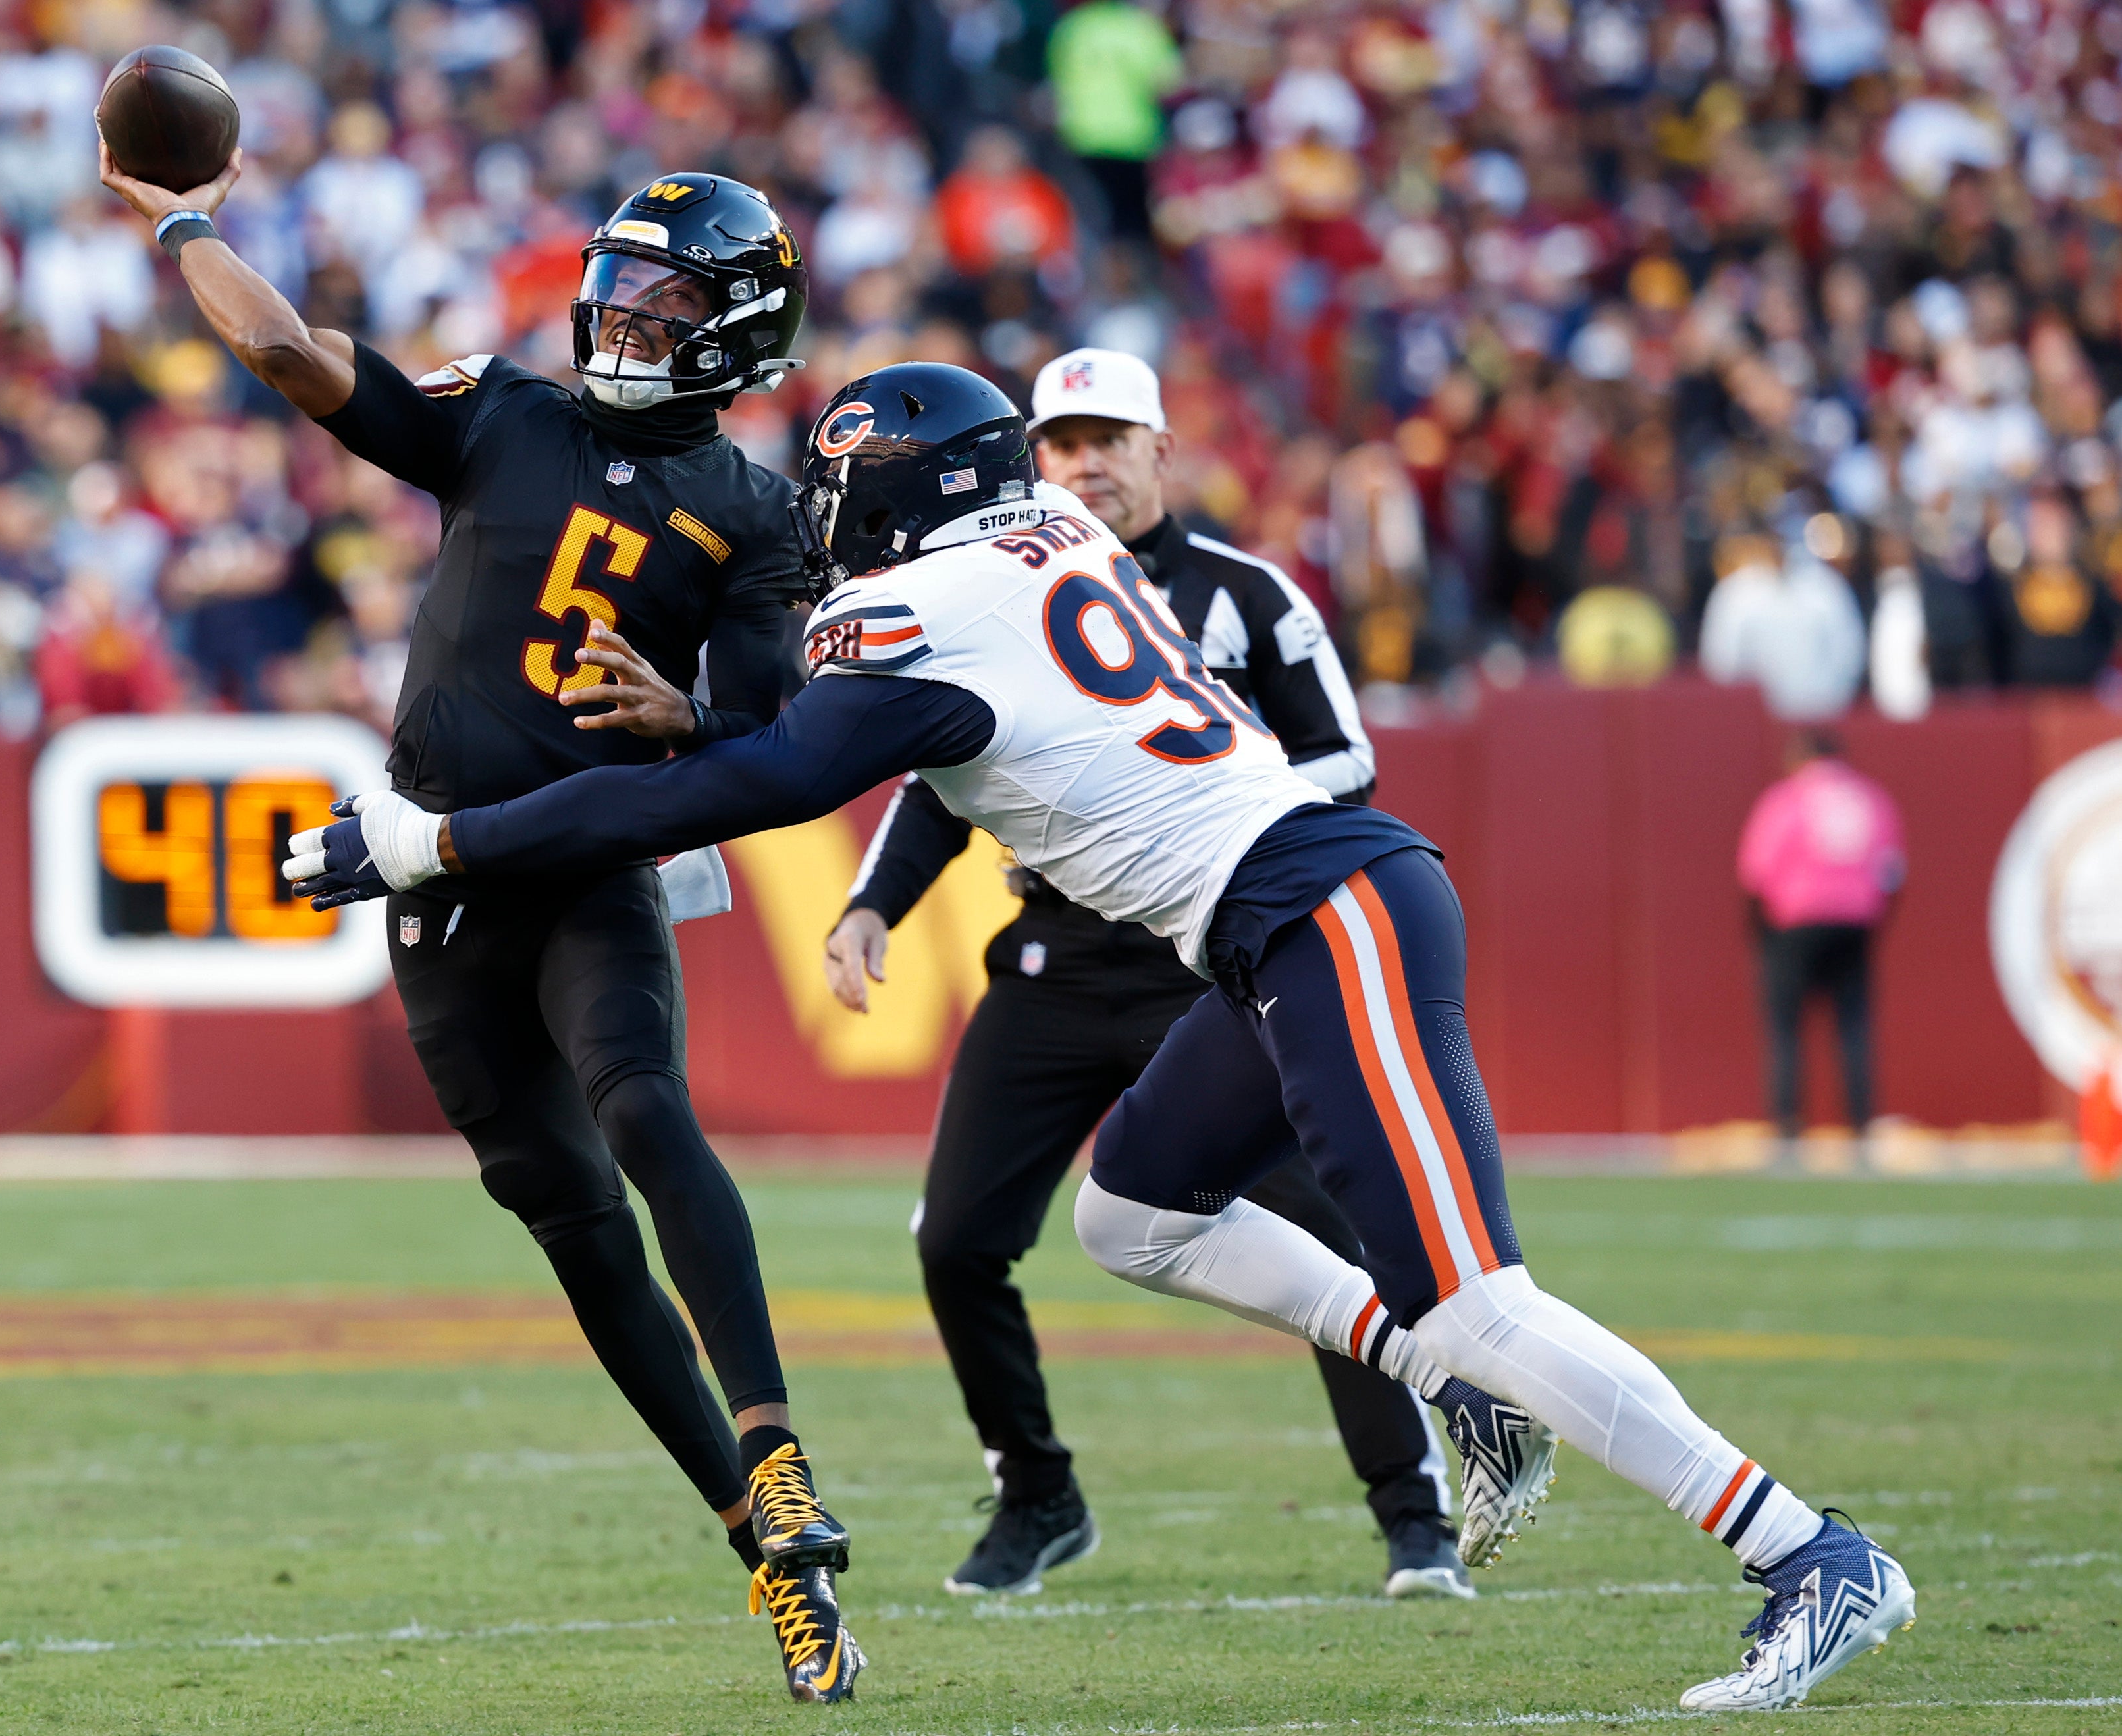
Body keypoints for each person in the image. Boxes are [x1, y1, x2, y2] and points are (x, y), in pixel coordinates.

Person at [296, 363, 1920, 1714]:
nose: (827, 524)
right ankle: (1441, 1371)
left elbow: (761, 781)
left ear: (907, 503)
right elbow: (857, 731)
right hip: (1268, 921)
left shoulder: (914, 614)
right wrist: (718, 727)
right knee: (1133, 1209)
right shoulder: (1056, 532)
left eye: (850, 493)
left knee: (1483, 1290)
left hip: (1320, 906)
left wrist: (436, 843)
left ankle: (1804, 1549)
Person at [99, 145, 862, 1702]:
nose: (627, 320)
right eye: (621, 291)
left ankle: (779, 1453)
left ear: (736, 329)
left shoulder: (755, 509)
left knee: (646, 1108)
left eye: (666, 303)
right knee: (576, 1229)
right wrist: (186, 222)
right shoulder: (506, 411)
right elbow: (291, 354)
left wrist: (693, 709)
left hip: (582, 863)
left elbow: (779, 732)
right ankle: (761, 1552)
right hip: (429, 878)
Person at [821, 348, 1466, 1601]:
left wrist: (1205, 800)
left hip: (1210, 960)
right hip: (1055, 963)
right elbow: (934, 775)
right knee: (954, 1239)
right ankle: (1037, 1494)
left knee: (1324, 1232)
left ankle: (1411, 1511)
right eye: (1062, 444)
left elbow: (1348, 766)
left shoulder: (1247, 595)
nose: (1087, 463)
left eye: (1111, 437)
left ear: (1163, 449)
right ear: (1026, 462)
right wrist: (871, 904)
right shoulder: (983, 583)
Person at [1736, 731, 1906, 1136]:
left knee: (1785, 1026)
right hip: (1855, 922)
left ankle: (1788, 1121)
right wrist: (1873, 919)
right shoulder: (1871, 799)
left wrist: (1758, 930)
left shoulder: (1786, 800)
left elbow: (1757, 874)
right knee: (1852, 1024)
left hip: (1794, 922)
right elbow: (1892, 871)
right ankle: (1859, 1121)